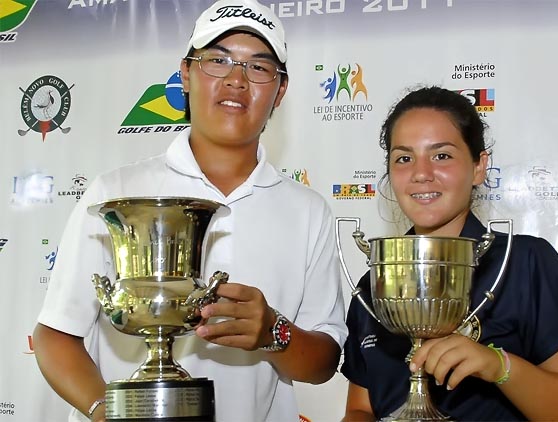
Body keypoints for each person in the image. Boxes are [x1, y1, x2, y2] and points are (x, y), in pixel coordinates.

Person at [32, 1, 347, 421]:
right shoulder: (117, 192)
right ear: (185, 73)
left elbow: (323, 362)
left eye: (258, 67)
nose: (237, 80)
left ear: (280, 89)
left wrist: (274, 333)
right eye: (217, 60)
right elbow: (55, 335)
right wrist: (110, 414)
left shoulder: (308, 211)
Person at [340, 85, 558, 421]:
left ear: (479, 166)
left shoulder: (525, 264)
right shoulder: (375, 280)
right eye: (404, 158)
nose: (421, 173)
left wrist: (499, 366)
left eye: (442, 155)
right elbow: (360, 409)